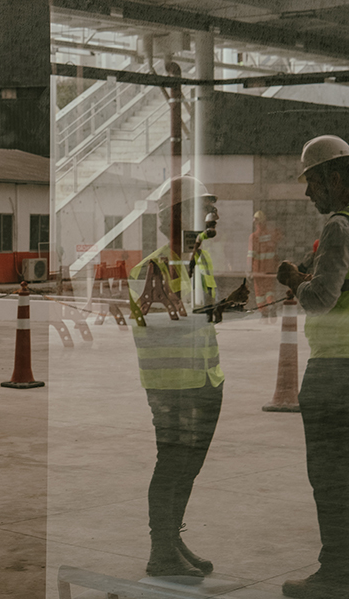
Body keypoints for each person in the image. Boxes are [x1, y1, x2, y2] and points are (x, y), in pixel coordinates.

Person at [277, 135, 349, 599]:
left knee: (328, 472)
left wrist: (295, 281)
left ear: (332, 177)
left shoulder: (340, 225)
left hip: (337, 368)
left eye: (311, 183)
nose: (308, 194)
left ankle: (333, 574)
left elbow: (323, 299)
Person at [129, 176, 237, 578]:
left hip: (206, 382)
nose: (215, 214)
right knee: (172, 466)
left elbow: (197, 318)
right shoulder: (151, 268)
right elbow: (153, 330)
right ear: (178, 216)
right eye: (205, 207)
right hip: (173, 389)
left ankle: (172, 540)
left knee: (187, 469)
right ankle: (161, 551)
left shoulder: (201, 261)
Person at [248, 210, 283, 322]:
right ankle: (271, 305)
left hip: (258, 270)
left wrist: (248, 270)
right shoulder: (270, 234)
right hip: (270, 269)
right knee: (269, 290)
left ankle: (264, 314)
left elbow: (251, 255)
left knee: (259, 293)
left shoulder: (253, 236)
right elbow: (278, 243)